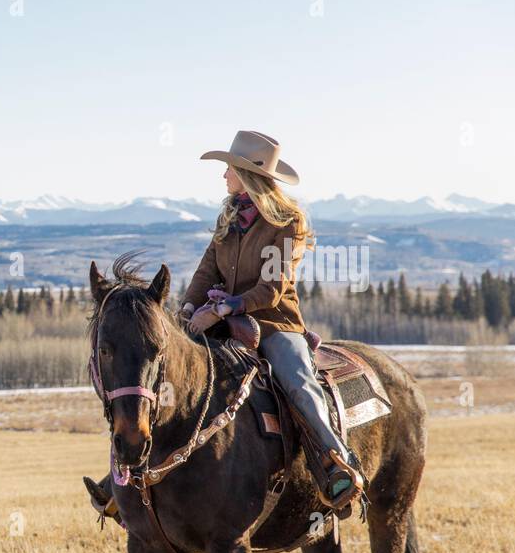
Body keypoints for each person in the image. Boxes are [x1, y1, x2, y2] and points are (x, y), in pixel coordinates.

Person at [88, 130, 362, 519]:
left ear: (248, 174)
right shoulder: (229, 216)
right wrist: (185, 311)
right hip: (220, 318)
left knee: (299, 381)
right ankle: (128, 471)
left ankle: (336, 463)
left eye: (229, 169)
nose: (224, 177)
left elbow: (274, 286)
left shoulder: (287, 223)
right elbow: (206, 271)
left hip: (273, 323)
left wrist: (226, 307)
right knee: (170, 379)